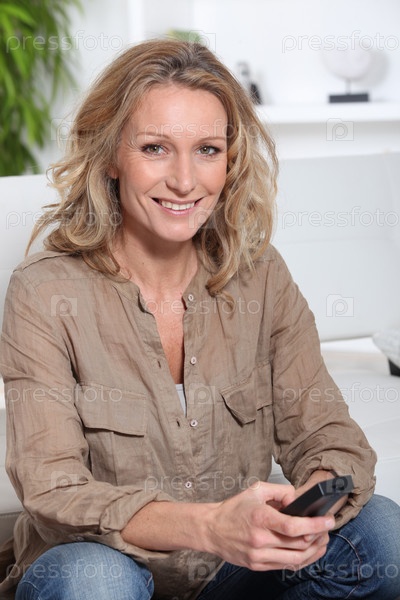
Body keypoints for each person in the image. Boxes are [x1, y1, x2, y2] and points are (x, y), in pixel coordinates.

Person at [0, 39, 399, 600]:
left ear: (230, 160)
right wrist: (210, 526)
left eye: (208, 149)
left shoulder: (261, 275)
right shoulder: (44, 291)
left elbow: (327, 435)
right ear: (111, 156)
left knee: (382, 534)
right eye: (156, 148)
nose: (185, 181)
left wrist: (307, 508)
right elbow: (53, 488)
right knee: (93, 581)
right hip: (113, 571)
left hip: (234, 576)